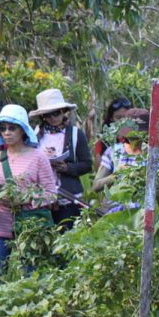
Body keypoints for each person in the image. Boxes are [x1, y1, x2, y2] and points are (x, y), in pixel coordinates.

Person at [0, 105, 58, 274]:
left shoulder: (38, 157)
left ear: (23, 130)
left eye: (12, 128)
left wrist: (24, 199)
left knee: (31, 277)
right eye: (3, 128)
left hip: (29, 226)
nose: (7, 132)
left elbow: (51, 194)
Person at [31, 89, 92, 229]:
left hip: (68, 198)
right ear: (42, 116)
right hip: (42, 198)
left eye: (56, 113)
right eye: (48, 115)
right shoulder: (35, 134)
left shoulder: (76, 134)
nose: (53, 118)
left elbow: (87, 164)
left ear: (63, 111)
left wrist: (67, 168)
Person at [93, 108, 149, 198]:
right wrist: (117, 175)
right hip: (119, 204)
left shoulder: (153, 154)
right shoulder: (113, 152)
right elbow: (96, 185)